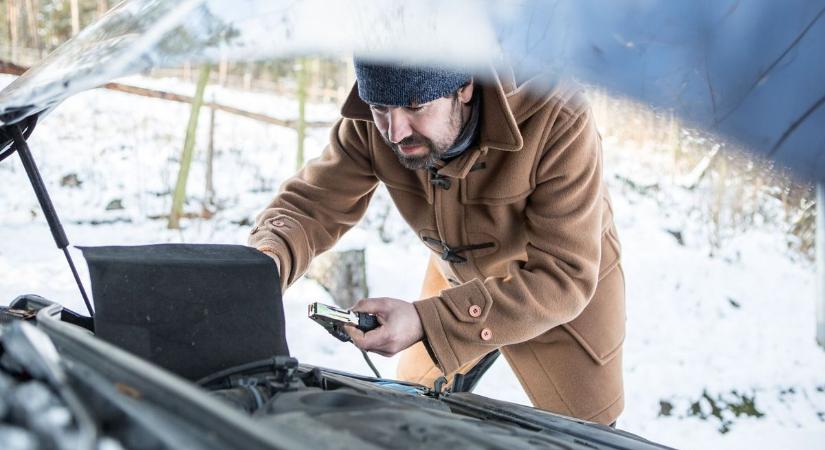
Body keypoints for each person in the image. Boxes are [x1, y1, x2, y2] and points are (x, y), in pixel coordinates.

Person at [249, 59, 625, 425]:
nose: (395, 132)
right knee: (413, 400)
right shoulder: (376, 117)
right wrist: (266, 260)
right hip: (455, 277)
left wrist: (426, 320)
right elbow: (311, 205)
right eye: (380, 108)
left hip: (558, 286)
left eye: (415, 106)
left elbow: (564, 275)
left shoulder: (558, 114)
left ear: (465, 87)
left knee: (588, 432)